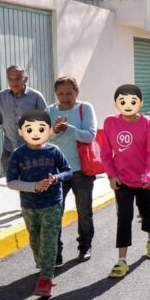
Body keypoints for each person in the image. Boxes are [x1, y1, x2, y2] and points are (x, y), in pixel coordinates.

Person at [6, 109, 72, 297]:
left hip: (52, 203)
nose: (35, 133)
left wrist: (55, 178)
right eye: (29, 129)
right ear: (21, 132)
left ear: (49, 130)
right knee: (35, 240)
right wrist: (33, 186)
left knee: (49, 240)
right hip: (29, 206)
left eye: (41, 128)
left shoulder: (54, 151)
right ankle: (43, 266)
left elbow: (68, 171)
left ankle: (46, 277)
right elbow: (11, 182)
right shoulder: (18, 155)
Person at [100, 84, 150, 278]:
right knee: (124, 216)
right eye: (123, 101)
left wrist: (149, 175)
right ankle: (122, 260)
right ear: (116, 103)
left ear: (140, 103)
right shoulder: (110, 123)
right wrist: (112, 176)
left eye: (133, 101)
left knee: (146, 213)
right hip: (122, 180)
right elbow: (105, 154)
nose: (128, 105)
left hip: (143, 180)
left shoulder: (147, 123)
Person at [47, 76, 97, 263]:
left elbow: (90, 136)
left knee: (84, 212)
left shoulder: (85, 108)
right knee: (54, 214)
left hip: (81, 170)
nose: (65, 97)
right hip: (56, 171)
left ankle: (85, 246)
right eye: (61, 93)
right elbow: (42, 138)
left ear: (77, 92)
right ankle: (55, 253)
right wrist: (54, 131)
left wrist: (68, 129)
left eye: (69, 93)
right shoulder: (50, 111)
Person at [0, 65, 47, 176]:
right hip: (9, 150)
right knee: (13, 183)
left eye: (17, 79)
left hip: (32, 150)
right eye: (10, 79)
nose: (13, 82)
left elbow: (47, 122)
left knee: (32, 183)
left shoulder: (35, 97)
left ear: (25, 79)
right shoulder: (0, 97)